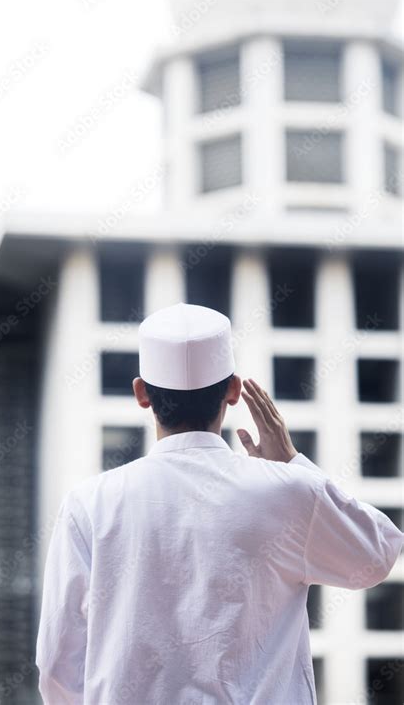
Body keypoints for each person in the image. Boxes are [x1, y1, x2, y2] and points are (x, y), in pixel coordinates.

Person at [35, 302, 403, 705]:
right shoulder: (286, 491)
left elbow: (58, 664)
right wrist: (293, 465)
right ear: (233, 391)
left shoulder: (89, 504)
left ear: (142, 394)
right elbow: (377, 554)